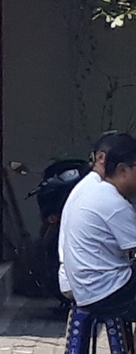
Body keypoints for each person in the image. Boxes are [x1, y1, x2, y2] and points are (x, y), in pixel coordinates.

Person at [58, 131, 136, 322]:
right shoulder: (112, 201)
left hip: (87, 284)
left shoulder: (91, 187)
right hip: (103, 290)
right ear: (123, 170)